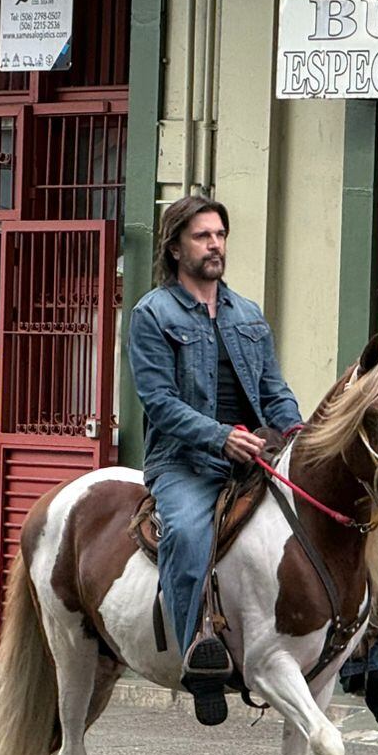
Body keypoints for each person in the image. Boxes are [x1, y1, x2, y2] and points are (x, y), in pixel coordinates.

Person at [128, 195, 302, 726]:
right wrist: (219, 436)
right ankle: (196, 653)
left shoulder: (247, 313)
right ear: (176, 246)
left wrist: (297, 433)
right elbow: (159, 402)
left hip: (252, 455)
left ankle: (373, 654)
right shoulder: (151, 314)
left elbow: (274, 390)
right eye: (203, 236)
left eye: (220, 235)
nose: (215, 245)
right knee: (185, 531)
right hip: (183, 461)